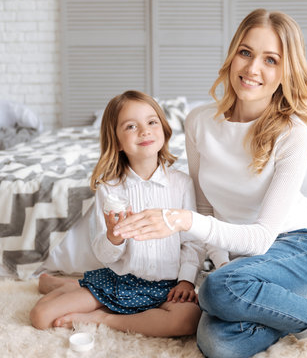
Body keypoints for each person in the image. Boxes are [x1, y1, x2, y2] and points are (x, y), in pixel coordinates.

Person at [111, 9, 307, 358]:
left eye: (270, 59)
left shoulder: (292, 133)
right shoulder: (199, 122)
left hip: (300, 250)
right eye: (246, 53)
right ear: (233, 54)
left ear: (285, 70)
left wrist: (182, 221)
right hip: (245, 265)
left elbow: (259, 236)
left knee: (215, 291)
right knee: (217, 343)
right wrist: (223, 264)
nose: (252, 69)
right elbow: (207, 211)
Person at [30, 90, 212, 337]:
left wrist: (186, 280)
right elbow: (103, 252)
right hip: (121, 282)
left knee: (187, 321)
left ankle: (102, 317)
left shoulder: (182, 183)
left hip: (169, 287)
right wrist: (114, 238)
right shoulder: (110, 189)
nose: (144, 131)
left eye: (151, 122)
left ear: (164, 130)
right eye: (130, 126)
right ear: (116, 141)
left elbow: (193, 241)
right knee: (40, 317)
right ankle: (66, 285)